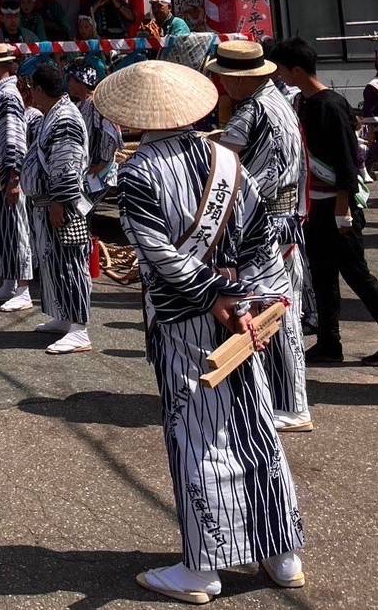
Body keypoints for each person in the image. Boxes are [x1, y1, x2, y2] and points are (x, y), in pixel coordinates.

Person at [100, 59, 305, 603]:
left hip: (184, 317)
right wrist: (253, 300)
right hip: (241, 314)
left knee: (196, 436)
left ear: (135, 116)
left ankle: (203, 567)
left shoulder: (139, 172)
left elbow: (156, 253)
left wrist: (213, 297)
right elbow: (263, 235)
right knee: (253, 426)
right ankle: (282, 555)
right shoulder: (228, 160)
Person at [213, 40, 311, 431]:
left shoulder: (253, 111)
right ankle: (282, 396)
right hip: (285, 216)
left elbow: (224, 163)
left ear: (237, 79)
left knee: (273, 314)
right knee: (279, 310)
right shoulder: (279, 102)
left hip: (264, 222)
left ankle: (291, 403)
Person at [270, 36, 378, 366]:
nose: (281, 77)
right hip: (314, 205)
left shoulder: (329, 105)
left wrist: (342, 211)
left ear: (298, 70)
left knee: (358, 275)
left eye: (284, 71)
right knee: (322, 276)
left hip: (337, 205)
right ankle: (330, 342)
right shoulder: (303, 103)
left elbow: (347, 163)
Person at [23, 61, 93, 354]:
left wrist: (58, 203)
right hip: (52, 202)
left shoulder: (63, 118)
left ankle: (79, 329)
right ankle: (65, 317)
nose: (29, 95)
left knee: (70, 262)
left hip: (62, 204)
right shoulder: (55, 113)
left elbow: (65, 166)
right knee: (55, 262)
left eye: (31, 89)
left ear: (39, 89)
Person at [0, 44, 33, 313]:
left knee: (16, 228)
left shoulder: (8, 95)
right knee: (3, 229)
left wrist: (14, 176)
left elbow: (13, 138)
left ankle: (23, 288)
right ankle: (9, 281)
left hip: (8, 171)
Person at [67, 64, 121, 202]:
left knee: (85, 207)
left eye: (71, 80)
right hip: (88, 169)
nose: (68, 84)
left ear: (81, 83)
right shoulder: (81, 106)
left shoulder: (96, 106)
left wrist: (102, 163)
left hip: (99, 172)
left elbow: (109, 134)